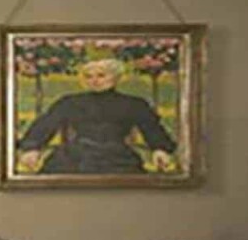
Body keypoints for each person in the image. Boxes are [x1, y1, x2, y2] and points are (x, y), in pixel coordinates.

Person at [16, 58, 176, 174]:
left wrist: (160, 149)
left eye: (101, 75)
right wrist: (32, 148)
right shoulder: (70, 102)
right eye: (88, 76)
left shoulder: (134, 103)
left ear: (115, 78)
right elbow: (46, 124)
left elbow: (152, 129)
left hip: (117, 157)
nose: (94, 80)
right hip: (75, 155)